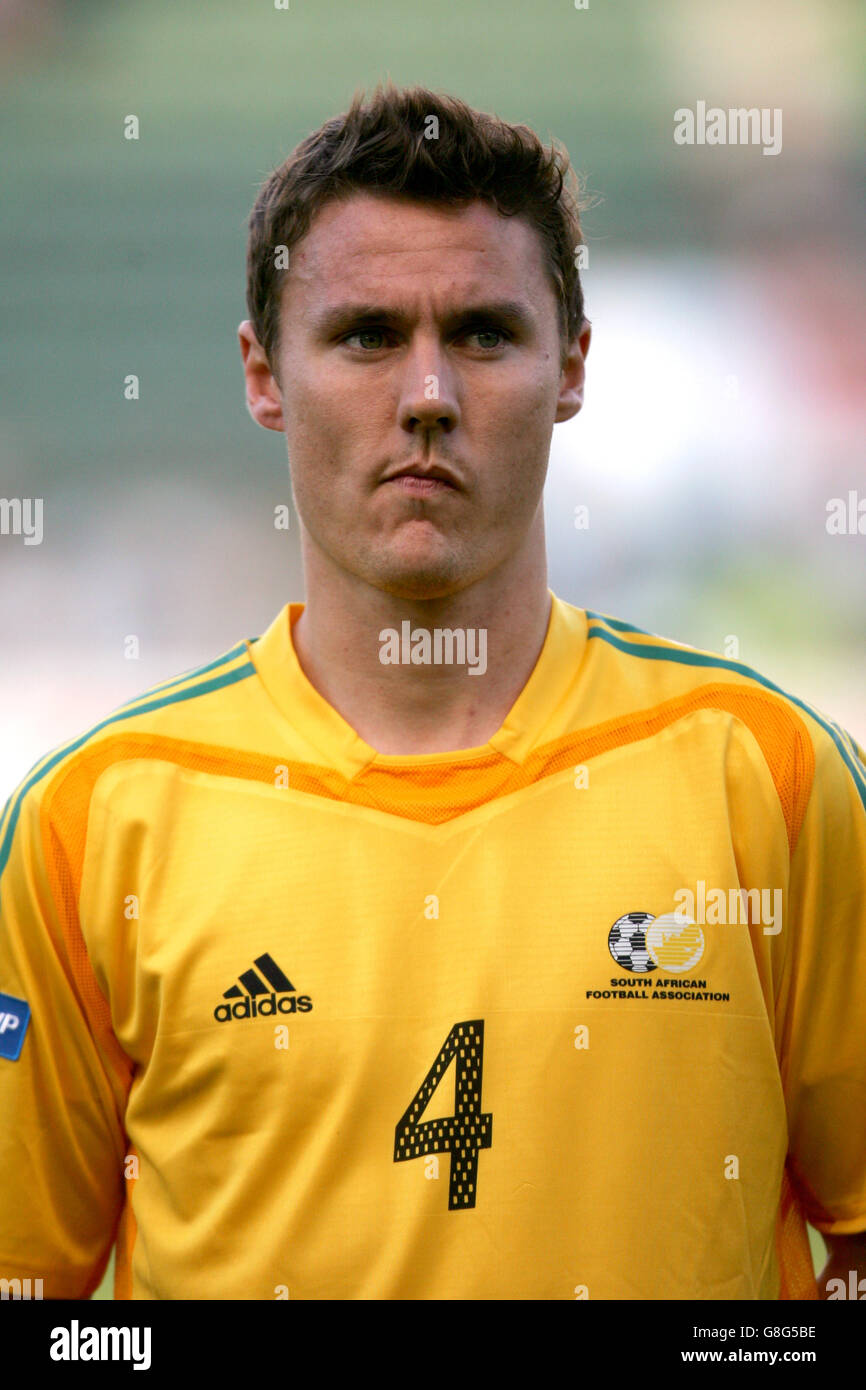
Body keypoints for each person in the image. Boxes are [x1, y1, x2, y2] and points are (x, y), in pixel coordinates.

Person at [1, 83, 864, 1301]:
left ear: (569, 368)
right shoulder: (92, 826)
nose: (426, 396)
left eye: (481, 334)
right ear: (263, 376)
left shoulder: (766, 777)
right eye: (363, 336)